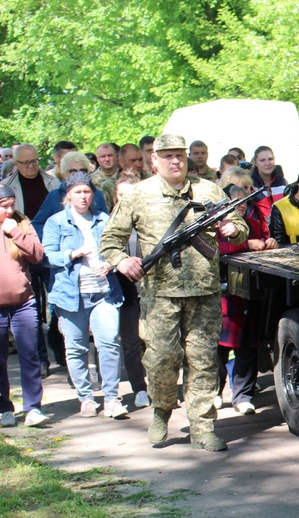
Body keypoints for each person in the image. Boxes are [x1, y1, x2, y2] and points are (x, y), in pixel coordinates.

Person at [100, 134, 248, 451]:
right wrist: (124, 260)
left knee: (204, 361)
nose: (175, 161)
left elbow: (239, 226)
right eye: (167, 156)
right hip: (160, 294)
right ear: (154, 160)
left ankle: (203, 427)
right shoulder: (139, 195)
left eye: (179, 155)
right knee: (161, 360)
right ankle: (161, 411)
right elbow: (110, 240)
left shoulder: (208, 189)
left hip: (204, 292)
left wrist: (233, 229)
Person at [41, 172, 127, 419]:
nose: (83, 196)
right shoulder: (56, 222)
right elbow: (48, 256)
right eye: (78, 192)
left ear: (93, 195)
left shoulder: (103, 219)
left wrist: (111, 264)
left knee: (109, 343)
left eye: (87, 192)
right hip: (71, 295)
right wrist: (73, 253)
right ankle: (86, 397)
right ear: (67, 195)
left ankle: (112, 398)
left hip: (104, 292)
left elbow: (117, 249)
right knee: (76, 347)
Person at [218, 184, 276, 414]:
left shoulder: (254, 222)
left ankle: (243, 395)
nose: (241, 205)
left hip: (250, 291)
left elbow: (265, 238)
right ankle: (214, 392)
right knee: (219, 348)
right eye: (236, 200)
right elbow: (216, 248)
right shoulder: (215, 224)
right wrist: (245, 244)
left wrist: (270, 243)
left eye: (245, 201)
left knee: (247, 346)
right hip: (224, 293)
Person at [0, 185, 49, 427]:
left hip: (24, 302)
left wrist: (15, 234)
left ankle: (33, 408)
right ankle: (4, 409)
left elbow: (37, 255)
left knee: (29, 355)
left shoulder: (21, 223)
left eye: (11, 204)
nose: (9, 210)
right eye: (4, 206)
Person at [110, 171, 149, 408]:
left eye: (129, 195)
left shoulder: (148, 220)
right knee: (131, 341)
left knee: (156, 340)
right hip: (125, 291)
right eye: (120, 195)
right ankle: (139, 388)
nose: (125, 199)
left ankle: (159, 386)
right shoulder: (110, 221)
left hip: (151, 288)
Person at [100, 144, 145, 210]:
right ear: (121, 162)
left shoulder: (150, 179)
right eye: (133, 161)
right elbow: (106, 213)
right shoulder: (109, 185)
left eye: (140, 160)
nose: (138, 164)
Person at [249, 146, 286, 223]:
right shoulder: (250, 184)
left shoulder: (282, 182)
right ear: (255, 162)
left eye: (270, 159)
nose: (268, 163)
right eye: (262, 160)